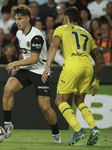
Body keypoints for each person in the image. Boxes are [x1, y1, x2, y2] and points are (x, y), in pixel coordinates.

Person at [42, 6, 102, 146]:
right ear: (79, 20)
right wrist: (97, 81)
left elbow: (53, 47)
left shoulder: (61, 29)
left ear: (66, 19)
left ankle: (78, 130)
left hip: (72, 66)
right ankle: (93, 127)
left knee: (60, 100)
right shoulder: (87, 33)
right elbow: (98, 60)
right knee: (79, 101)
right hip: (88, 67)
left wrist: (47, 67)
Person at [3, 4, 61, 143]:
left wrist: (15, 63)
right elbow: (28, 56)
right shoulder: (18, 33)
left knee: (45, 107)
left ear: (28, 18)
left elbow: (35, 58)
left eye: (20, 19)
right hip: (27, 70)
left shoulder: (36, 35)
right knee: (7, 90)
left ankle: (56, 135)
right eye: (16, 19)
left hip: (40, 72)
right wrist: (20, 66)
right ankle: (7, 124)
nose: (17, 22)